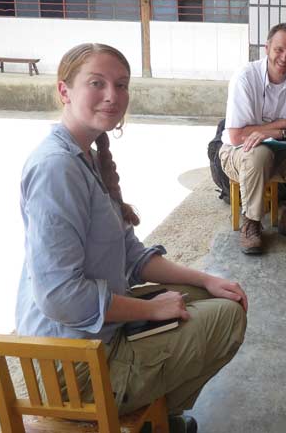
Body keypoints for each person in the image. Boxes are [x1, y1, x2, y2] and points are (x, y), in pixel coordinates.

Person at [15, 43, 248, 433]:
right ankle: (146, 419)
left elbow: (132, 257)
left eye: (121, 85)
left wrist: (205, 278)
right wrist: (151, 310)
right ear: (64, 91)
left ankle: (156, 413)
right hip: (75, 366)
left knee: (220, 296)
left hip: (91, 337)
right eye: (97, 83)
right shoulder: (57, 168)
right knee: (226, 320)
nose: (112, 96)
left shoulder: (84, 156)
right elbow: (59, 296)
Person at [220, 23, 286, 255]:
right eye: (279, 49)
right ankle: (251, 221)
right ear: (267, 47)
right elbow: (237, 135)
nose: (284, 58)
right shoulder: (245, 77)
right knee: (259, 151)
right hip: (239, 155)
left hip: (284, 153)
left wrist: (267, 132)